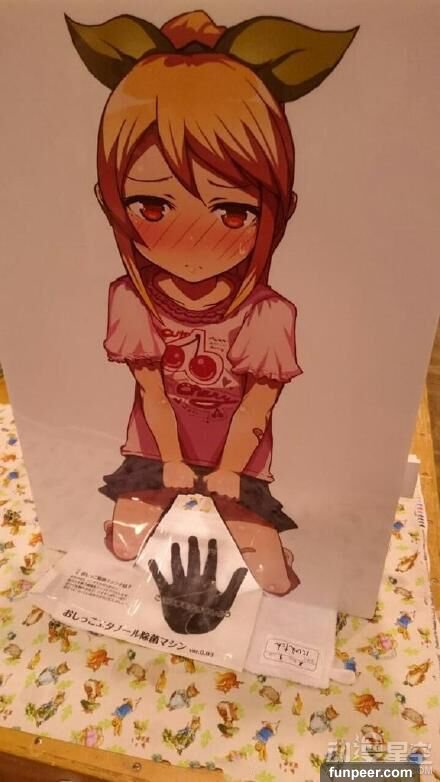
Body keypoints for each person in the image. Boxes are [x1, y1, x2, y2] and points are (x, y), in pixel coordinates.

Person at [67, 9, 357, 595]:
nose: (193, 240)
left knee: (276, 581)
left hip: (238, 462)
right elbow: (152, 393)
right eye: (153, 207)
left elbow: (256, 408)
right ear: (112, 201)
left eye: (231, 212)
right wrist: (172, 462)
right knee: (120, 549)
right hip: (155, 451)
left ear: (277, 210)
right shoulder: (132, 299)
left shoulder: (268, 314)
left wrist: (226, 470)